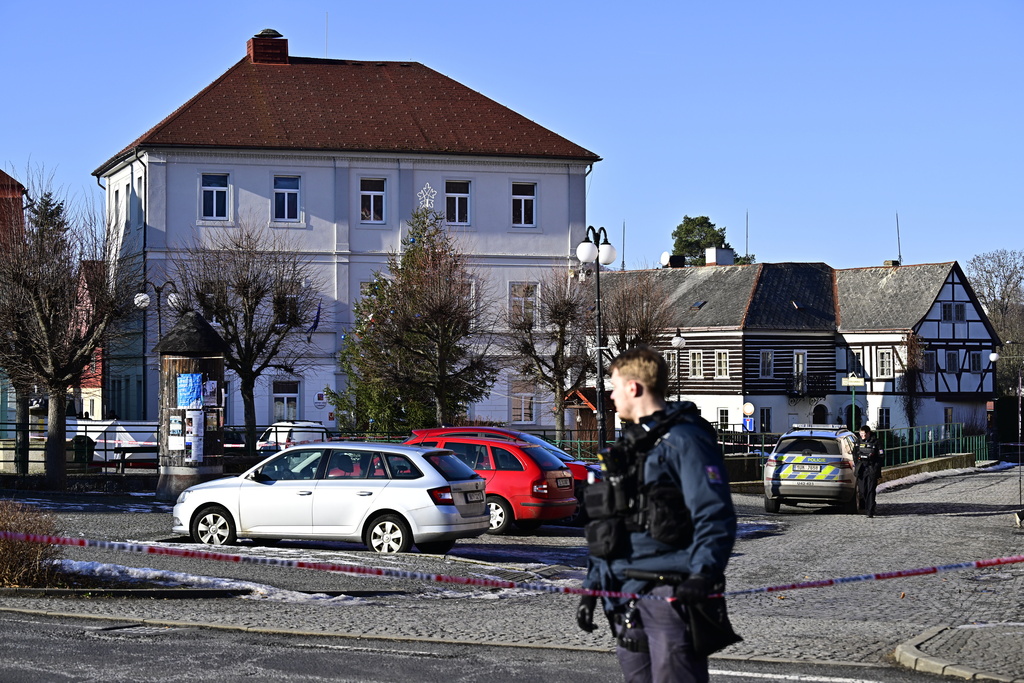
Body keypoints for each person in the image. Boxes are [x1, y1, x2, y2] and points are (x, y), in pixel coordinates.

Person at [576, 346, 739, 683]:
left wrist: (702, 575)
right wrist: (593, 587)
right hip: (624, 597)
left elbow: (714, 513)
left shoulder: (686, 441)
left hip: (670, 595)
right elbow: (609, 525)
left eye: (615, 387)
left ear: (634, 388)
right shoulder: (628, 449)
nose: (611, 396)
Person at [856, 425, 884, 517]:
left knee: (871, 490)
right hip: (861, 469)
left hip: (872, 468)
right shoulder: (858, 441)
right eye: (861, 434)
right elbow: (854, 453)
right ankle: (869, 505)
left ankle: (870, 510)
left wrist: (876, 467)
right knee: (863, 490)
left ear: (868, 433)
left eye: (864, 434)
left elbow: (881, 456)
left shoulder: (876, 442)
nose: (862, 436)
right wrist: (858, 462)